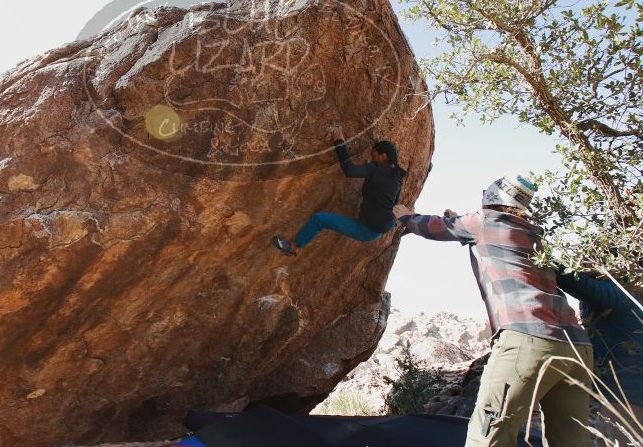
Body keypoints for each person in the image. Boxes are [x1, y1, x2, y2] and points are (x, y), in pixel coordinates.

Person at [393, 174, 594, 447]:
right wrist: (461, 221)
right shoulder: (532, 233)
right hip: (577, 348)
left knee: (488, 435)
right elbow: (476, 231)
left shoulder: (484, 223)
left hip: (528, 341)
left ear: (491, 197)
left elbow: (435, 227)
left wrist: (407, 218)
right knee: (572, 441)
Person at [272, 127, 405, 256]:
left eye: (374, 156)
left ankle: (293, 247)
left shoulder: (376, 168)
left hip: (367, 229)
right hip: (381, 226)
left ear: (383, 157)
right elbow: (394, 201)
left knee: (319, 219)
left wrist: (339, 142)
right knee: (322, 219)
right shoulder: (397, 175)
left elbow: (350, 170)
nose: (372, 159)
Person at [554, 266, 643, 445]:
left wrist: (538, 252)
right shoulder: (632, 291)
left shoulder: (618, 292)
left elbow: (575, 282)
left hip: (624, 397)